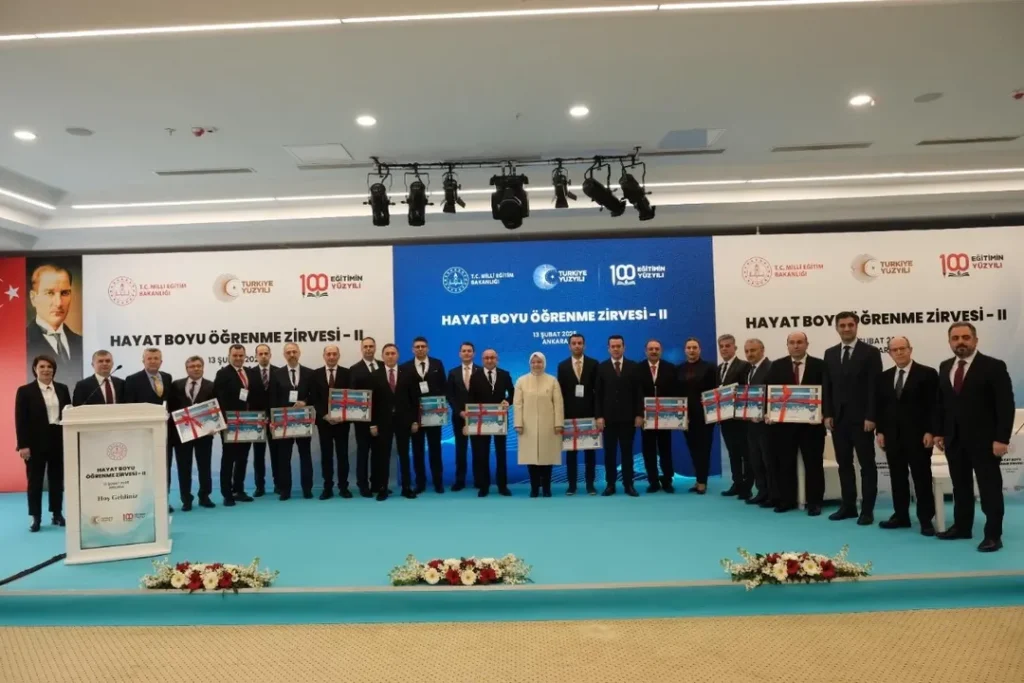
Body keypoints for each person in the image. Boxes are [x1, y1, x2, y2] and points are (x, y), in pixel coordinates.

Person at [933, 323, 1015, 552]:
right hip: (954, 440)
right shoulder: (945, 366)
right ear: (949, 341)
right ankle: (962, 527)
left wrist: (1002, 439)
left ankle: (993, 535)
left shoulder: (994, 366)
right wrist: (939, 431)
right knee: (960, 487)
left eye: (965, 337)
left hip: (986, 441)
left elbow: (1005, 405)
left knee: (989, 489)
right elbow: (942, 403)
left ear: (975, 340)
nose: (960, 341)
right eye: (955, 338)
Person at [823, 311, 883, 526]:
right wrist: (827, 414)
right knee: (844, 465)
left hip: (862, 421)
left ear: (856, 326)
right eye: (842, 325)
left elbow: (874, 387)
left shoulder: (870, 352)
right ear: (837, 328)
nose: (846, 329)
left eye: (850, 325)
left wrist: (871, 416)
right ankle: (848, 506)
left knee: (867, 466)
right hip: (838, 420)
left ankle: (867, 510)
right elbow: (827, 386)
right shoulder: (830, 353)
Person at [875, 337, 937, 536]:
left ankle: (926, 519)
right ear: (889, 353)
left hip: (919, 437)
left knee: (922, 478)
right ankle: (901, 516)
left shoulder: (927, 373)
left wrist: (931, 431)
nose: (899, 352)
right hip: (892, 437)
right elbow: (881, 408)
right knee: (897, 478)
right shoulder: (884, 377)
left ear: (910, 349)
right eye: (895, 349)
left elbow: (934, 405)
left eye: (903, 348)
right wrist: (880, 431)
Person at [763, 332, 826, 515]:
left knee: (813, 464)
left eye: (799, 342)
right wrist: (769, 412)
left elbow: (828, 392)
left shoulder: (820, 365)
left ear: (807, 344)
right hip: (784, 426)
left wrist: (824, 413)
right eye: (792, 342)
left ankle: (814, 502)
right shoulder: (777, 365)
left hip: (812, 427)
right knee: (785, 464)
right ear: (787, 345)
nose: (796, 345)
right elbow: (769, 392)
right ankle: (787, 500)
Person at [15, 355, 70, 532]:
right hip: (34, 442)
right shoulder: (25, 391)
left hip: (58, 439)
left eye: (49, 366)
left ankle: (57, 513)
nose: (46, 370)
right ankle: (36, 517)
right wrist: (23, 445)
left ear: (54, 369)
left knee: (57, 480)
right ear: (35, 369)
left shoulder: (62, 389)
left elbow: (69, 414)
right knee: (35, 481)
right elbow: (20, 420)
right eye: (42, 366)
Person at [123, 347, 175, 513]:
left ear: (161, 361)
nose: (153, 361)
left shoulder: (167, 378)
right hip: (142, 435)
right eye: (149, 358)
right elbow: (129, 408)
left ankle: (163, 500)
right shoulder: (132, 380)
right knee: (144, 469)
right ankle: (143, 503)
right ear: (143, 361)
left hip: (165, 434)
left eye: (156, 358)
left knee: (164, 468)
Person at [594, 335, 641, 497]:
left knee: (627, 453)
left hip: (628, 419)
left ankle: (629, 484)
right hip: (608, 419)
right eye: (613, 346)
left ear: (624, 347)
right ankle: (610, 484)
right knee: (610, 453)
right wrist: (599, 416)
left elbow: (638, 393)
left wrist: (639, 414)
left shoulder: (633, 366)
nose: (616, 349)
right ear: (608, 349)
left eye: (618, 346)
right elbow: (598, 394)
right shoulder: (602, 367)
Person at [513, 352, 564, 497]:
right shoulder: (521, 381)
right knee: (531, 458)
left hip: (549, 425)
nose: (536, 365)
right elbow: (517, 404)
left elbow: (558, 404)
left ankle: (547, 488)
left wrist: (558, 423)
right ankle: (534, 488)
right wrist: (518, 423)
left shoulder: (552, 381)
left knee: (547, 458)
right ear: (530, 364)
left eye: (539, 362)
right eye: (533, 362)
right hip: (527, 426)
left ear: (544, 363)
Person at [214, 344, 259, 505]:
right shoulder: (222, 374)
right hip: (230, 424)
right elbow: (219, 399)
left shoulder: (251, 373)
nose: (238, 358)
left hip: (249, 422)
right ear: (229, 356)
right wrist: (223, 422)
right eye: (235, 355)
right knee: (228, 458)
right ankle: (227, 494)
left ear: (245, 356)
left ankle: (238, 490)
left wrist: (259, 418)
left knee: (243, 458)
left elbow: (256, 396)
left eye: (241, 355)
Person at [370, 343, 416, 500]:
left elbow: (414, 400)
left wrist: (414, 420)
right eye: (387, 353)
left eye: (393, 353)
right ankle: (383, 488)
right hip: (383, 422)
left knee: (404, 455)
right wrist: (373, 423)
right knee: (383, 456)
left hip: (404, 421)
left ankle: (407, 487)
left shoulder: (408, 374)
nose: (390, 356)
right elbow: (372, 402)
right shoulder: (375, 375)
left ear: (398, 356)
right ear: (382, 356)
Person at [170, 356, 216, 511]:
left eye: (198, 366)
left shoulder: (211, 386)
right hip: (182, 435)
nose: (196, 368)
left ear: (203, 367)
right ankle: (186, 499)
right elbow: (171, 408)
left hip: (204, 434)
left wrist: (215, 425)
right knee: (184, 467)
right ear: (186, 369)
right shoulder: (176, 385)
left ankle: (205, 496)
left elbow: (216, 408)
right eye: (192, 366)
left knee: (205, 466)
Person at [466, 348, 514, 497]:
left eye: (492, 357)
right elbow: (471, 399)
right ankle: (484, 486)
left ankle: (502, 486)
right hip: (482, 420)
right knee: (482, 454)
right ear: (482, 360)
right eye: (486, 358)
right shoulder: (475, 376)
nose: (489, 360)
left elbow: (513, 393)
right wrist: (471, 421)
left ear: (497, 359)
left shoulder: (505, 374)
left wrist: (508, 401)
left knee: (501, 453)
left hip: (500, 420)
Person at [556, 334, 599, 495]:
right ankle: (572, 485)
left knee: (590, 453)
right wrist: (561, 418)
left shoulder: (594, 364)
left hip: (589, 415)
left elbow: (598, 392)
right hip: (570, 417)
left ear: (584, 345)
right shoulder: (562, 366)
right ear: (569, 346)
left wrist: (597, 415)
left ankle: (590, 485)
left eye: (580, 343)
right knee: (571, 454)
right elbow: (560, 394)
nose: (577, 346)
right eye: (573, 343)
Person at [309, 344, 353, 499]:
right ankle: (327, 487)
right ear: (324, 356)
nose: (331, 357)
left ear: (338, 356)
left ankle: (343, 487)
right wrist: (325, 415)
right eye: (328, 354)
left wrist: (343, 415)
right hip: (324, 422)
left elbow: (350, 396)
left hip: (342, 422)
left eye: (334, 354)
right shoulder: (315, 374)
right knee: (326, 456)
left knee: (343, 456)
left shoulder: (347, 373)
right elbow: (314, 398)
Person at [271, 342, 315, 499]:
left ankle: (307, 489)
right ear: (284, 355)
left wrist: (305, 402)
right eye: (288, 352)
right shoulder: (276, 374)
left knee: (305, 455)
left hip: (304, 421)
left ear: (299, 353)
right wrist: (274, 420)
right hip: (283, 422)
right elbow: (273, 398)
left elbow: (315, 396)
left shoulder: (310, 373)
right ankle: (285, 490)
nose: (292, 355)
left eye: (294, 352)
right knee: (284, 457)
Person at [402, 336, 446, 493]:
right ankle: (420, 483)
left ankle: (438, 482)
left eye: (423, 346)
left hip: (434, 414)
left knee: (435, 449)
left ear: (428, 348)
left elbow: (443, 387)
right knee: (417, 450)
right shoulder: (405, 367)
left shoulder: (437, 364)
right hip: (415, 417)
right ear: (412, 349)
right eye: (417, 347)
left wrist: (441, 409)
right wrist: (411, 418)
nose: (420, 349)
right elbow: (405, 394)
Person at [26, 264, 83, 384]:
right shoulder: (22, 343)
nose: (58, 303)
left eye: (64, 293)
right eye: (50, 293)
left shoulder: (81, 342)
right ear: (33, 298)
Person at [676, 337, 716, 494]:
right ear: (685, 350)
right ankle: (698, 479)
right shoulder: (679, 369)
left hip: (705, 416)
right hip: (686, 417)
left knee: (704, 449)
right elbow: (677, 393)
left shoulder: (710, 367)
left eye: (694, 347)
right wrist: (681, 414)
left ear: (700, 350)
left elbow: (715, 391)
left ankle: (702, 482)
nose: (691, 350)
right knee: (692, 449)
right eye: (689, 348)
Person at [637, 339, 678, 493]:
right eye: (651, 349)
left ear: (661, 351)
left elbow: (675, 392)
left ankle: (667, 480)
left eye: (656, 349)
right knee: (648, 450)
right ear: (645, 351)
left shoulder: (670, 368)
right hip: (646, 418)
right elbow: (635, 394)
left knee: (665, 449)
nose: (654, 351)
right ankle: (653, 481)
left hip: (666, 417)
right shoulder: (638, 368)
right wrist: (639, 414)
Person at [717, 334, 752, 500]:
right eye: (721, 346)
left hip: (740, 419)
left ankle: (747, 486)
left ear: (735, 348)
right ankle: (736, 483)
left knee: (746, 453)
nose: (724, 349)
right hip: (725, 419)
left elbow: (747, 391)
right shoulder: (719, 368)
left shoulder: (744, 366)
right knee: (733, 453)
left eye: (727, 346)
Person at [742, 339, 773, 507]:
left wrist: (767, 413)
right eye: (747, 351)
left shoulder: (771, 368)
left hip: (766, 424)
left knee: (768, 461)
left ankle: (772, 495)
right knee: (756, 460)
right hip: (751, 423)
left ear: (762, 350)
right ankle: (761, 491)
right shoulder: (749, 370)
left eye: (753, 350)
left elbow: (775, 395)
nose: (749, 354)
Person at [349, 337, 381, 496]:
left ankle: (377, 484)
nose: (368, 349)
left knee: (378, 453)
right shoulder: (354, 369)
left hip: (381, 418)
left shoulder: (383, 365)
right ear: (361, 349)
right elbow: (353, 396)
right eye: (365, 346)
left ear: (375, 348)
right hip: (362, 420)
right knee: (363, 452)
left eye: (371, 346)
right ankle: (363, 485)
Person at [446, 342, 478, 492]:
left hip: (477, 417)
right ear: (460, 354)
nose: (466, 353)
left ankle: (479, 479)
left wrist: (476, 412)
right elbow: (450, 396)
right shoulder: (453, 373)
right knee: (460, 449)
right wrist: (459, 411)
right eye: (464, 351)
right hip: (459, 417)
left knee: (478, 449)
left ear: (474, 353)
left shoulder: (481, 371)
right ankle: (460, 480)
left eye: (469, 351)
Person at [248, 344, 278, 496]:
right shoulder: (249, 373)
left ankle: (278, 484)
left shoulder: (279, 372)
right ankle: (259, 486)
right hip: (257, 420)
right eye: (260, 354)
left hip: (275, 420)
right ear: (256, 356)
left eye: (266, 353)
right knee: (258, 455)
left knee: (276, 454)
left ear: (270, 355)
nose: (264, 356)